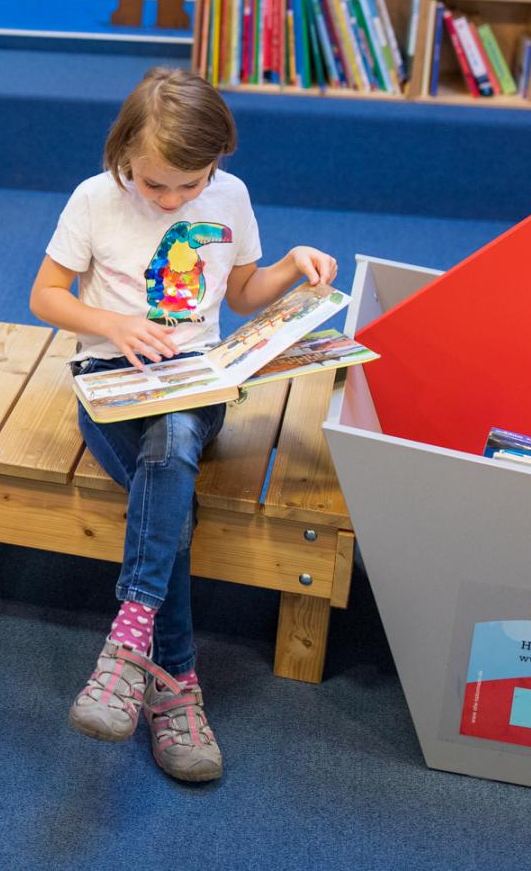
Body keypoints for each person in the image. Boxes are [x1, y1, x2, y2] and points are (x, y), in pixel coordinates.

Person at [29, 66, 336, 782]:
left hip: (197, 383)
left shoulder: (231, 195)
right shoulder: (94, 199)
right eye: (153, 184)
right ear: (123, 156)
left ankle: (127, 648)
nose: (171, 198)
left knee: (172, 442)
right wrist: (113, 323)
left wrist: (292, 265)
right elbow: (46, 294)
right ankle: (175, 689)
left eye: (188, 185)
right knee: (168, 478)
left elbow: (242, 291)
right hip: (110, 381)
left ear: (217, 163)